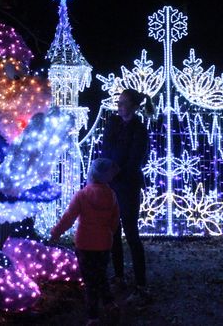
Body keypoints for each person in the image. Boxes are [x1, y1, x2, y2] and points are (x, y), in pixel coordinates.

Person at [50, 158, 121, 326]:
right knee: (101, 276)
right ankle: (110, 304)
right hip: (104, 243)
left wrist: (56, 233)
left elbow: (68, 218)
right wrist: (109, 233)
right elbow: (115, 220)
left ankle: (93, 317)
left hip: (85, 244)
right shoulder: (111, 195)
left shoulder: (82, 195)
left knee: (89, 282)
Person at [101, 88, 153, 304]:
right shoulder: (113, 123)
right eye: (119, 102)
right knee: (113, 231)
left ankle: (141, 285)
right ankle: (120, 276)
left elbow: (136, 159)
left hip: (128, 185)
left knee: (131, 233)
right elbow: (106, 148)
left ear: (133, 106)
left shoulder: (139, 129)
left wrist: (118, 172)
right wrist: (108, 172)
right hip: (111, 183)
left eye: (123, 103)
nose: (119, 106)